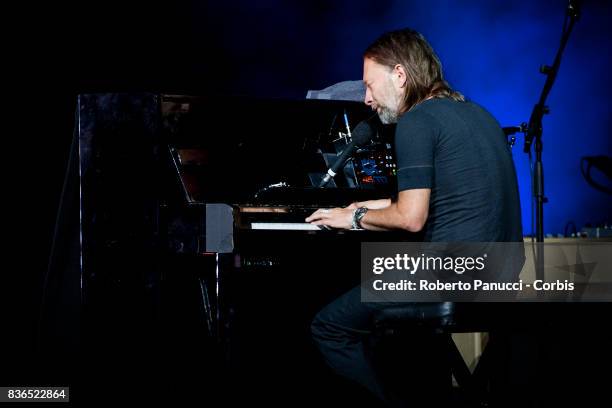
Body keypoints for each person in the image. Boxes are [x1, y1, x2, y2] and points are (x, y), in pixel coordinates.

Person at [305, 28, 523, 404]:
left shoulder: (417, 121)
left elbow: (410, 217)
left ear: (400, 76)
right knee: (388, 324)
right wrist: (349, 209)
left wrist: (354, 219)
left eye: (370, 85)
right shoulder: (478, 114)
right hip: (502, 272)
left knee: (329, 327)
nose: (367, 99)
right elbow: (410, 199)